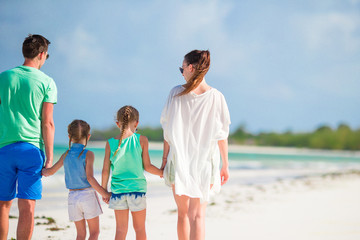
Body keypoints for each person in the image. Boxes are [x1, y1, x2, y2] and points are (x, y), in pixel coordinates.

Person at [160, 50, 231, 240]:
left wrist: (164, 159)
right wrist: (225, 164)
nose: (182, 72)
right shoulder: (217, 97)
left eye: (181, 68)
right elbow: (221, 135)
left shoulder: (175, 94)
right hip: (204, 164)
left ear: (190, 68)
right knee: (198, 216)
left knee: (183, 214)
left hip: (178, 161)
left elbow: (168, 131)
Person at [0, 34, 57, 240]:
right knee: (27, 206)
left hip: (4, 149)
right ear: (42, 54)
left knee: (3, 205)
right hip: (31, 150)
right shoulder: (47, 82)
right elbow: (47, 123)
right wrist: (50, 158)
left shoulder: (3, 77)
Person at [101, 105, 163, 240]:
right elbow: (147, 166)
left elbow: (105, 170)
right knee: (140, 229)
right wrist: (161, 172)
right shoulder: (142, 140)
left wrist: (104, 190)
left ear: (117, 124)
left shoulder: (110, 143)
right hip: (137, 191)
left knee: (120, 230)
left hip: (118, 192)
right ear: (137, 123)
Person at [42, 120, 110, 240]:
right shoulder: (88, 154)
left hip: (72, 197)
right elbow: (90, 178)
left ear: (69, 136)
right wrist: (105, 193)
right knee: (94, 233)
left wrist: (41, 170)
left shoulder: (66, 154)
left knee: (80, 235)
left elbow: (50, 172)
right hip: (87, 196)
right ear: (88, 136)